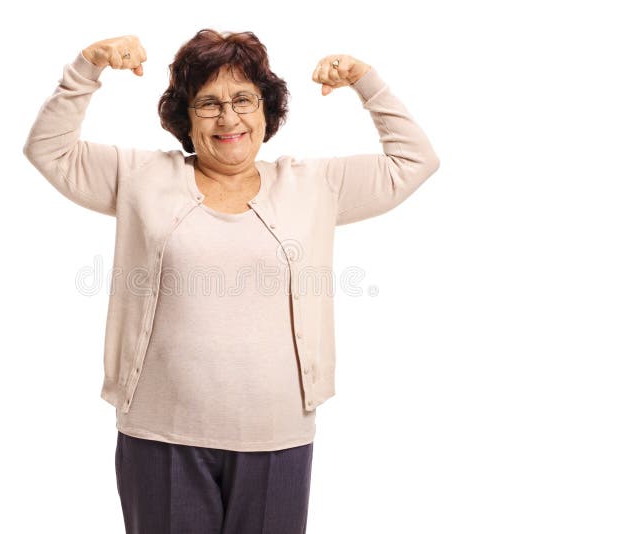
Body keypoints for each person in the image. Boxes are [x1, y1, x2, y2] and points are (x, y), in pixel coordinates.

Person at [23, 28, 439, 534]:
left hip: (276, 436)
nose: (228, 118)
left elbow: (415, 161)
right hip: (161, 433)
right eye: (208, 103)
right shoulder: (140, 177)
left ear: (266, 109)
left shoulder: (313, 185)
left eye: (243, 99)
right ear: (185, 116)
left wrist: (366, 83)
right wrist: (87, 67)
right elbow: (49, 150)